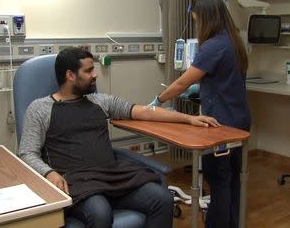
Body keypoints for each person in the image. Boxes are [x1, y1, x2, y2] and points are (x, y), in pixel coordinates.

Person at [18, 47, 220, 228]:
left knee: (163, 199)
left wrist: (189, 119)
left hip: (112, 175)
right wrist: (48, 173)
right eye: (88, 71)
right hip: (75, 181)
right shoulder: (40, 108)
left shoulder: (99, 101)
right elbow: (27, 152)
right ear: (70, 75)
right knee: (100, 212)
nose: (95, 75)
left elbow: (145, 112)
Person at [149, 0, 251, 228]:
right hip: (240, 119)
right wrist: (201, 86)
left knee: (219, 181)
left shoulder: (214, 46)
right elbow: (221, 79)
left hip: (220, 125)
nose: (198, 25)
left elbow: (181, 83)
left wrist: (159, 100)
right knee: (234, 179)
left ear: (207, 18)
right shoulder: (233, 42)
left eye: (197, 20)